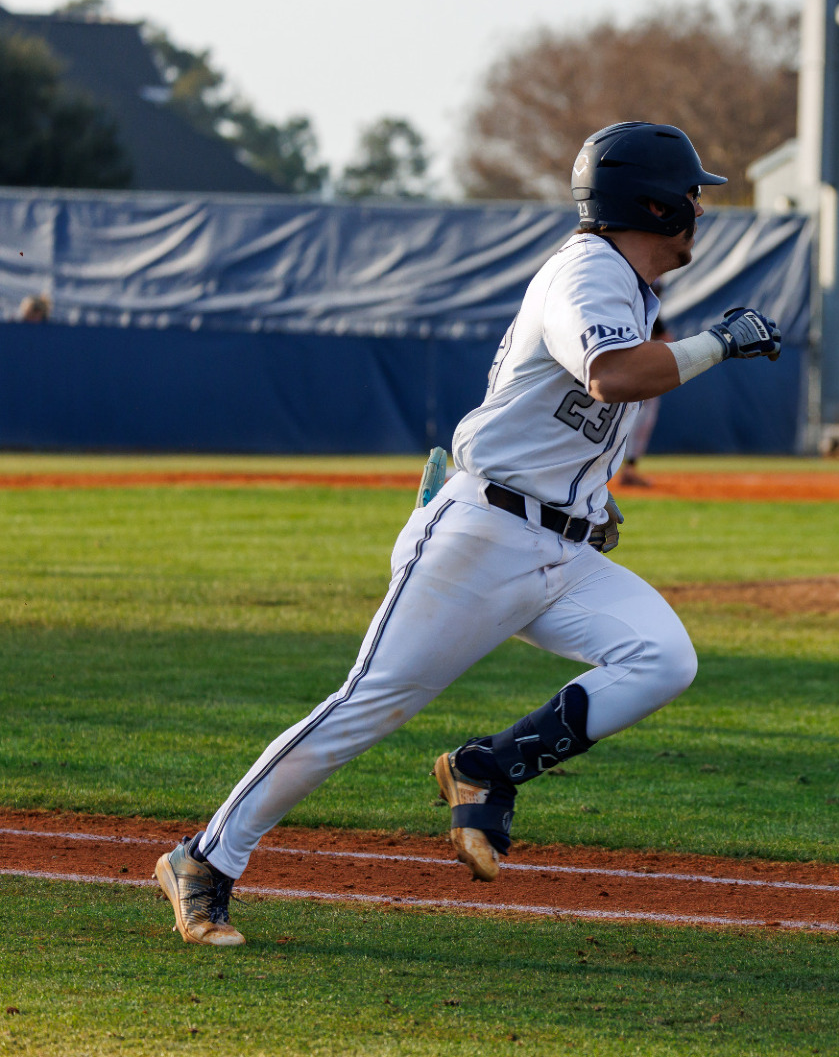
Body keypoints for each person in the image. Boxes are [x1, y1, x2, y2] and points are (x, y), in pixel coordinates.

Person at [152, 122, 784, 946]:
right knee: (364, 709)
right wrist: (721, 343)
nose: (701, 209)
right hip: (482, 538)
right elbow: (613, 375)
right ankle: (205, 859)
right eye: (691, 195)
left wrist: (590, 500)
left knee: (663, 656)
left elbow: (570, 411)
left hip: (555, 545)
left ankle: (487, 767)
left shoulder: (625, 283)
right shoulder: (589, 272)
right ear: (655, 203)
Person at [617, 316, 673, 487]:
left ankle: (626, 469)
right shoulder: (646, 307)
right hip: (637, 373)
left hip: (619, 371)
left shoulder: (627, 305)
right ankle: (628, 470)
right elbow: (668, 341)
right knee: (640, 420)